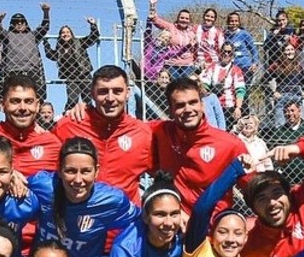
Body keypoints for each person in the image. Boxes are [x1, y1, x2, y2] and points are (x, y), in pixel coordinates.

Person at [52, 65, 156, 204]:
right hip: (78, 215)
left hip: (125, 216)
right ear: (92, 93)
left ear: (128, 93)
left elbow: (165, 172)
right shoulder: (68, 127)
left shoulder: (142, 133)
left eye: (117, 91)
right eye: (103, 91)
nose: (110, 98)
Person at [152, 76, 250, 214]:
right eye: (180, 105)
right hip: (174, 223)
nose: (188, 109)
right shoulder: (160, 132)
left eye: (193, 102)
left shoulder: (230, 144)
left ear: (202, 105)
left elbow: (254, 189)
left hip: (215, 224)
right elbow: (128, 128)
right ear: (170, 110)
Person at [0, 4, 51, 101]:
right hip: (13, 71)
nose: (19, 24)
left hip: (32, 71)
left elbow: (44, 27)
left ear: (26, 24)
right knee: (14, 97)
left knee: (33, 97)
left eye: (22, 22)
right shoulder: (8, 35)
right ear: (12, 24)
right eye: (16, 22)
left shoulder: (32, 35)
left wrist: (46, 12)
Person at [44, 17, 100, 110]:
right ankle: (67, 115)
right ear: (60, 35)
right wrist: (45, 41)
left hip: (84, 75)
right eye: (63, 33)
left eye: (67, 32)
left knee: (87, 100)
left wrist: (93, 24)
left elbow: (93, 37)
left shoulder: (79, 43)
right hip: (71, 77)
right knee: (72, 101)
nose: (65, 34)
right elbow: (50, 55)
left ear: (71, 34)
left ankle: (89, 117)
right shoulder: (60, 49)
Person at [147, 0, 198, 80]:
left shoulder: (192, 32)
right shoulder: (171, 27)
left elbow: (196, 49)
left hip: (187, 65)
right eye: (182, 18)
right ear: (178, 18)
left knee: (186, 85)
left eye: (187, 18)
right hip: (172, 64)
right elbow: (156, 20)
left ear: (189, 20)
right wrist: (152, 6)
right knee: (174, 85)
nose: (184, 20)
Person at [201, 43, 247, 126]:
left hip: (229, 106)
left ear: (233, 54)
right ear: (220, 52)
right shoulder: (212, 67)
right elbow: (204, 85)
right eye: (224, 51)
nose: (226, 54)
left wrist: (238, 107)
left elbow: (240, 90)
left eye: (229, 52)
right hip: (213, 105)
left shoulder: (236, 70)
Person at [267, 42, 304, 128]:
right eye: (287, 50)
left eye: (292, 49)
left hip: (296, 96)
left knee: (298, 125)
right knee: (280, 125)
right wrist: (272, 92)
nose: (290, 52)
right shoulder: (277, 65)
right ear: (283, 52)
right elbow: (264, 80)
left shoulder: (298, 65)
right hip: (282, 96)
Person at [223, 11, 257, 79]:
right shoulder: (225, 34)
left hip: (244, 65)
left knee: (244, 84)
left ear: (239, 22)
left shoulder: (244, 34)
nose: (234, 23)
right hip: (230, 65)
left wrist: (254, 63)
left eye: (236, 21)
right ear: (228, 22)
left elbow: (253, 49)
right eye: (232, 21)